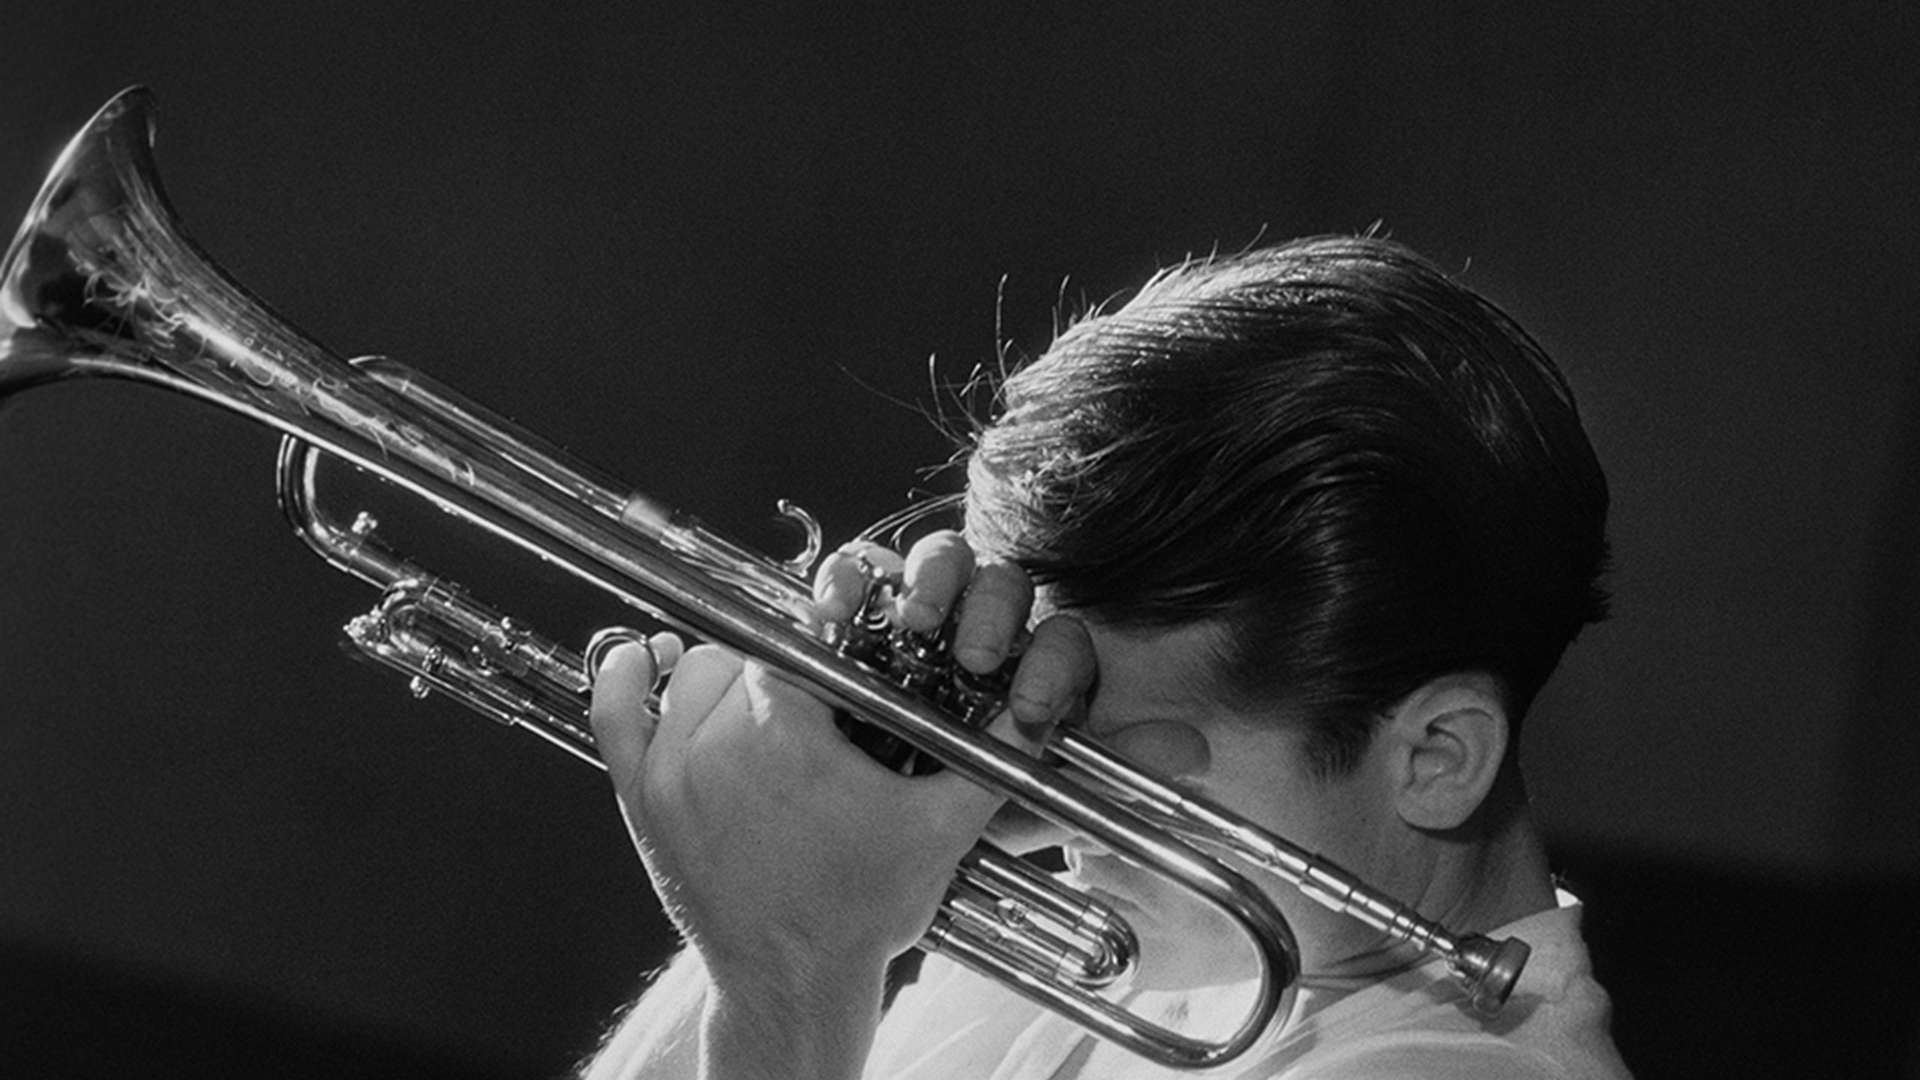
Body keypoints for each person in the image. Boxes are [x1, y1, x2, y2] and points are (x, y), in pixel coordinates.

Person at [577, 236, 1632, 1079]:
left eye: (1117, 765)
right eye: (1041, 721)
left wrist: (789, 965)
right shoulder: (1136, 942)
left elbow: (776, 991)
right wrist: (809, 819)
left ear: (1437, 757)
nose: (1054, 798)